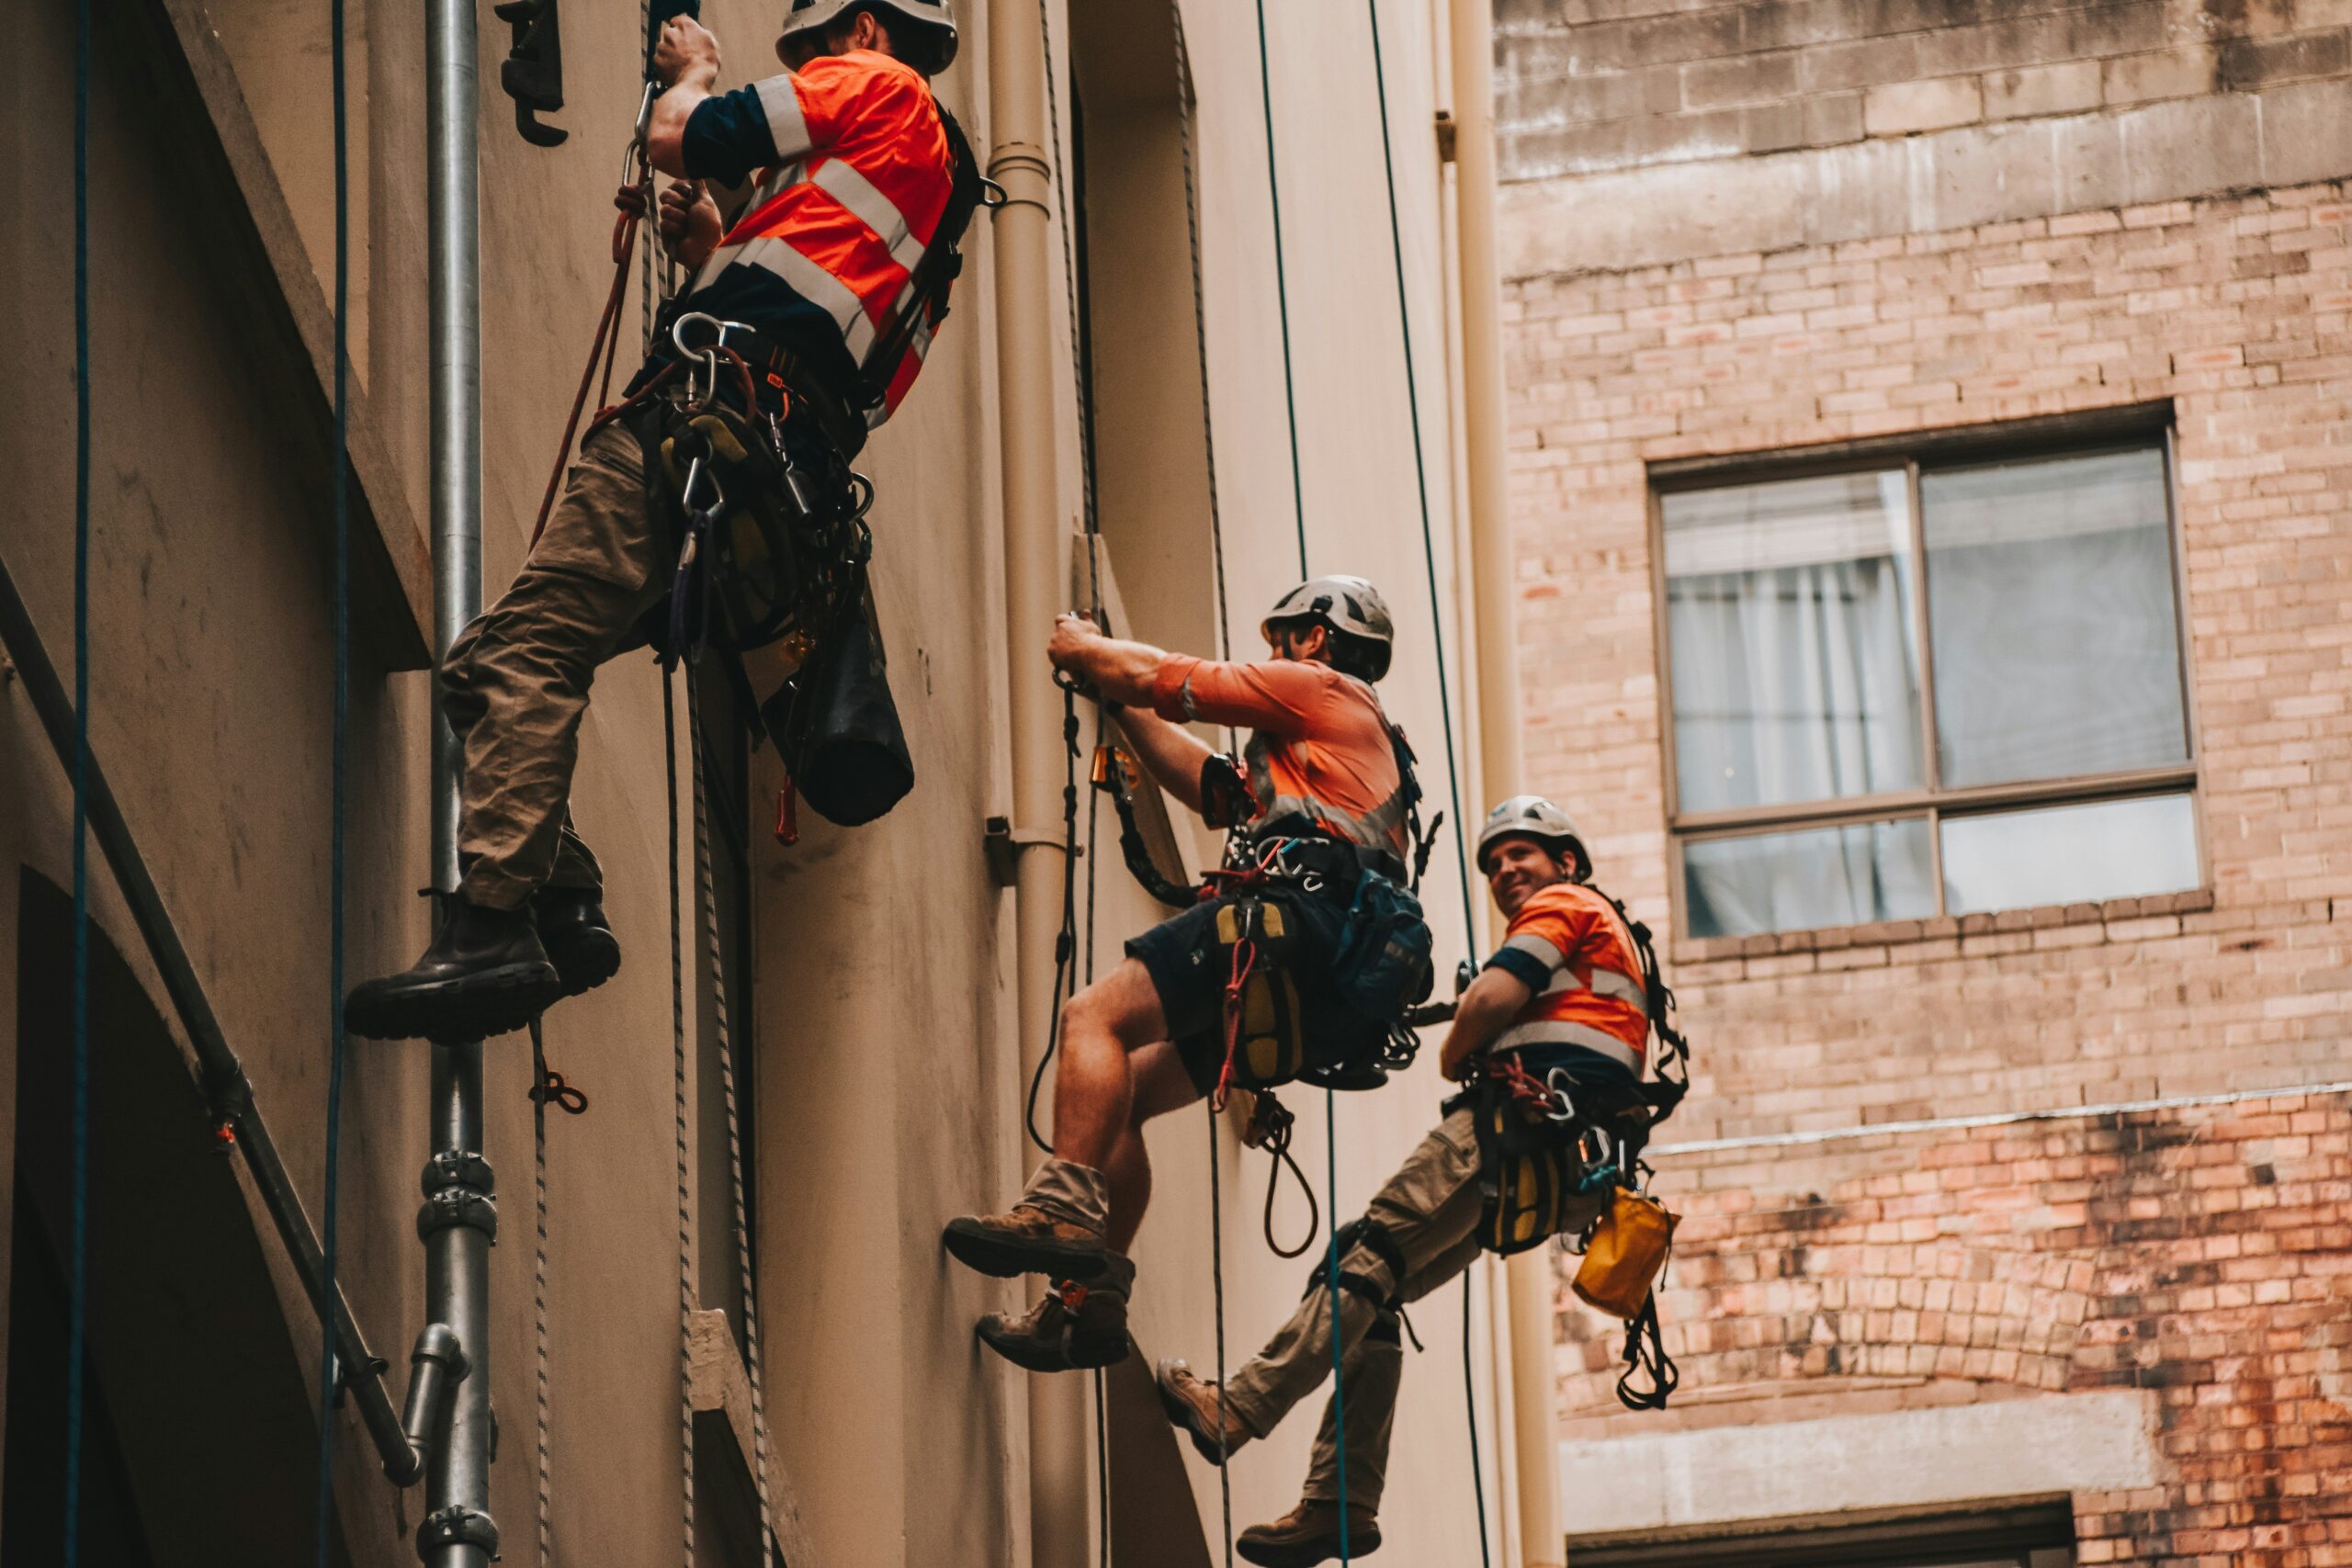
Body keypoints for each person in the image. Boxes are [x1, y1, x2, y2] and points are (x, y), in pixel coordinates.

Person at [345, 0, 965, 1044]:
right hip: (774, 482)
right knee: (487, 663)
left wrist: (692, 70)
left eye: (818, 50)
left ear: (862, 29)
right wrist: (718, 251)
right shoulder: (932, 216)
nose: (815, 69)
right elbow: (818, 323)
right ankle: (563, 901)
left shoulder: (880, 81)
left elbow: (682, 135)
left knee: (523, 655)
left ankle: (491, 926)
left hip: (700, 426)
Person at [1149, 795, 1653, 1568]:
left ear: (1567, 861)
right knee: (1371, 1284)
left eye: (1521, 853)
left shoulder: (1567, 905)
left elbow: (1493, 998)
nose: (1505, 870)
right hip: (1564, 1164)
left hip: (1515, 1127)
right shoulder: (1611, 944)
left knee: (1368, 1250)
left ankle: (1241, 1405)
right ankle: (1340, 1504)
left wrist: (1457, 1052)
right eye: (1494, 863)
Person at [941, 579, 1422, 1371]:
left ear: (1316, 638)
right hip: (1325, 980)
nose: (1273, 654)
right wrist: (1118, 702)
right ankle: (1090, 1300)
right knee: (1122, 1093)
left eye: (1282, 638)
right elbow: (1210, 787)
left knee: (1093, 1018)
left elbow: (1175, 679)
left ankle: (1060, 1208)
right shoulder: (1335, 758)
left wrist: (1087, 649)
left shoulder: (1322, 689)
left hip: (1292, 921)